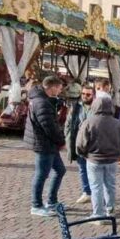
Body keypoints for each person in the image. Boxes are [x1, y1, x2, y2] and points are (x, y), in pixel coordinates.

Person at [76, 96, 120, 218]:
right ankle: (110, 211)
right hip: (112, 160)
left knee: (96, 187)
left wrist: (84, 155)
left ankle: (98, 214)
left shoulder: (89, 122)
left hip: (94, 159)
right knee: (110, 185)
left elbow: (80, 144)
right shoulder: (118, 124)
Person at [24, 75, 67, 217]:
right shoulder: (41, 103)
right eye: (59, 88)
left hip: (49, 144)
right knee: (42, 174)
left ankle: (52, 201)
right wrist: (61, 141)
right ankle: (36, 205)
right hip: (44, 143)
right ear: (52, 87)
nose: (60, 91)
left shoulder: (43, 100)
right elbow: (49, 127)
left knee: (60, 170)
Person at [66, 83, 95, 205]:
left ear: (93, 95)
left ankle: (96, 193)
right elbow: (68, 123)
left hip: (93, 145)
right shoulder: (76, 107)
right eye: (83, 94)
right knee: (83, 169)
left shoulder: (97, 107)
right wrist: (67, 138)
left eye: (88, 94)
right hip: (79, 143)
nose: (85, 96)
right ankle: (86, 192)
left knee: (94, 170)